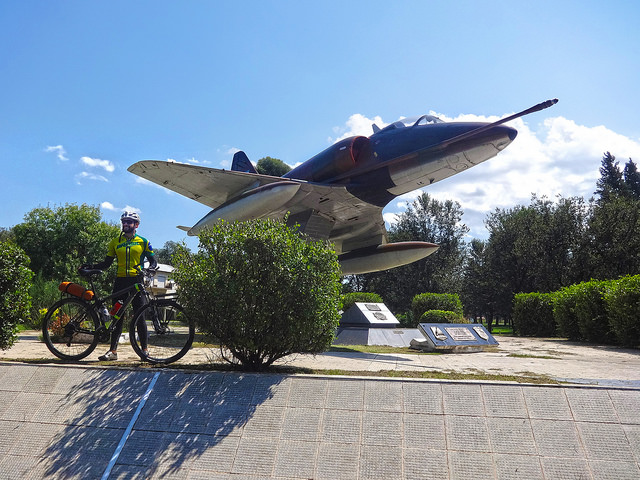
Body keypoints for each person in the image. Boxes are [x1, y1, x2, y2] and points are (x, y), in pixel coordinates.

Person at [84, 211, 158, 361]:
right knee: (117, 317)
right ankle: (113, 352)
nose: (125, 224)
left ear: (136, 225)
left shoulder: (143, 241)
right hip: (120, 282)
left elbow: (153, 261)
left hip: (136, 281)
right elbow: (106, 263)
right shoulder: (115, 242)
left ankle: (144, 351)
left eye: (129, 222)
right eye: (124, 221)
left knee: (140, 317)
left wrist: (150, 269)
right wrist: (90, 266)